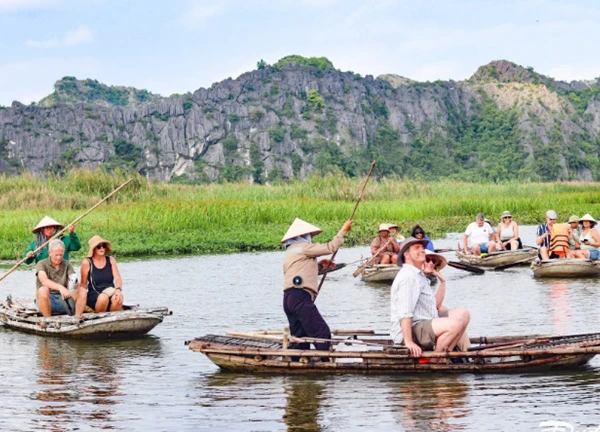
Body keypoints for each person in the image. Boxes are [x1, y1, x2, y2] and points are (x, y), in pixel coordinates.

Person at [390, 236, 470, 359]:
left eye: (422, 247)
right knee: (453, 325)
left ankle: (446, 352)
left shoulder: (419, 276)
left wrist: (443, 283)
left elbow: (434, 306)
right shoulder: (408, 277)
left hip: (425, 322)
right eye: (417, 248)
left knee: (463, 313)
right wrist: (408, 342)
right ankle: (435, 359)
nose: (422, 250)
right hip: (412, 329)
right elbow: (404, 312)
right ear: (407, 255)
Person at [282, 218, 353, 353]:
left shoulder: (291, 252)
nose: (312, 239)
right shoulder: (303, 247)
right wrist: (343, 230)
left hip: (289, 298)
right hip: (300, 297)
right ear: (302, 236)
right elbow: (331, 247)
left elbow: (301, 271)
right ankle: (325, 360)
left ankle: (299, 363)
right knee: (321, 333)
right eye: (311, 236)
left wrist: (319, 265)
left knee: (300, 336)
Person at [421, 250, 470, 352]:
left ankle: (466, 353)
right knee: (454, 321)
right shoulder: (414, 279)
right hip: (421, 324)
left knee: (462, 315)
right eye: (427, 260)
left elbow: (437, 305)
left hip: (429, 317)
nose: (431, 263)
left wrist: (443, 282)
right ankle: (439, 357)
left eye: (433, 261)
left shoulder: (426, 281)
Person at [35, 239, 87, 318]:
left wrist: (74, 283)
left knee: (82, 290)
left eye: (61, 255)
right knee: (43, 290)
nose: (59, 258)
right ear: (50, 253)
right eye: (56, 255)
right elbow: (44, 281)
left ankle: (77, 318)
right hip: (48, 300)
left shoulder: (67, 264)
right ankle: (48, 319)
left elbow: (72, 277)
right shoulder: (41, 264)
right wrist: (60, 287)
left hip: (64, 299)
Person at [79, 235, 124, 313]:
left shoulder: (111, 260)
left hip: (110, 291)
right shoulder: (87, 262)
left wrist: (118, 290)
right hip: (94, 294)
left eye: (103, 246)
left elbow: (117, 277)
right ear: (93, 249)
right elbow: (83, 284)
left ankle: (112, 318)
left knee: (118, 298)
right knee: (103, 298)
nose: (102, 248)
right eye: (99, 247)